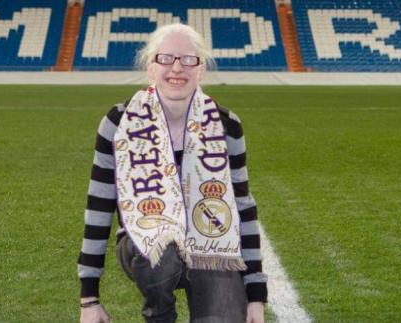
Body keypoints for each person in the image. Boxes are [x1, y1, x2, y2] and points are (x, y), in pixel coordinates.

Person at [78, 23, 267, 323]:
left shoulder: (227, 126)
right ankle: (160, 314)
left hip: (210, 243)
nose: (177, 68)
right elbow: (98, 208)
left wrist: (256, 296)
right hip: (145, 246)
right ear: (150, 68)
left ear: (201, 69)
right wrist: (89, 299)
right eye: (166, 58)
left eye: (188, 59)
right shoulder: (118, 123)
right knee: (162, 251)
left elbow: (243, 208)